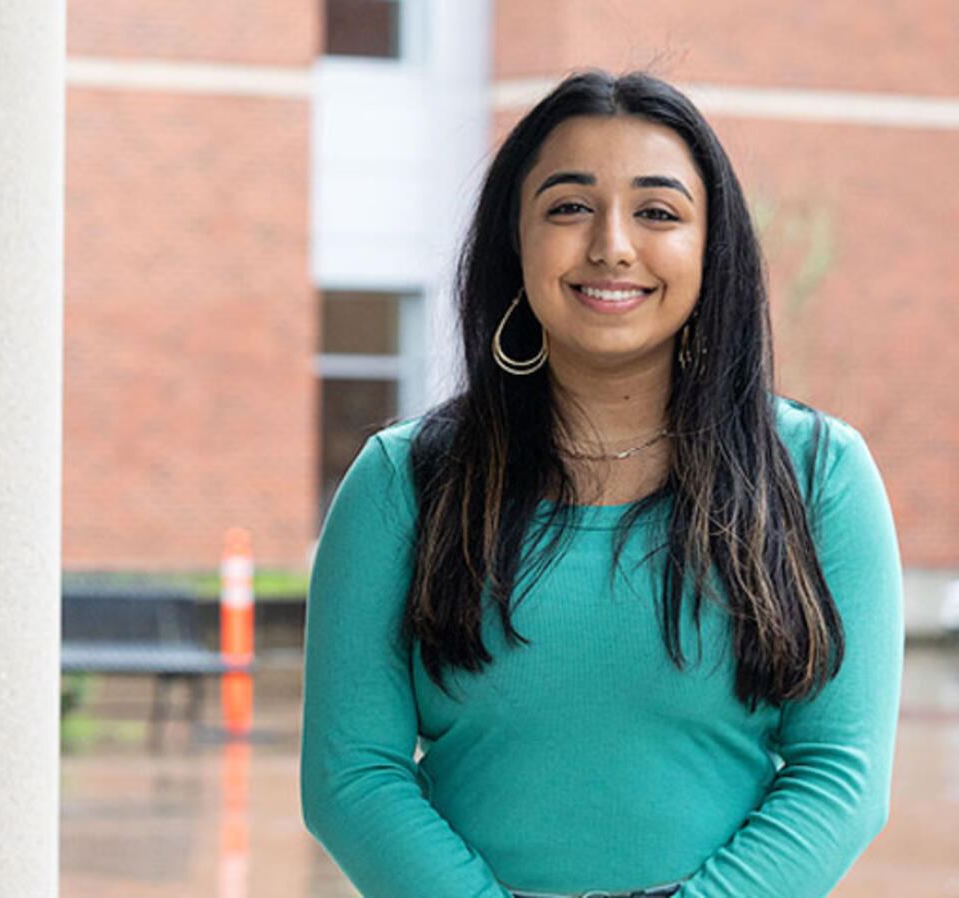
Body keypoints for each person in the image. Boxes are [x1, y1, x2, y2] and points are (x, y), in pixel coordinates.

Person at [299, 70, 903, 898]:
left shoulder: (819, 475)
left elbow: (841, 774)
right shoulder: (404, 482)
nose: (612, 244)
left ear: (710, 248)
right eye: (568, 206)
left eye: (658, 211)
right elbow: (351, 775)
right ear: (516, 239)